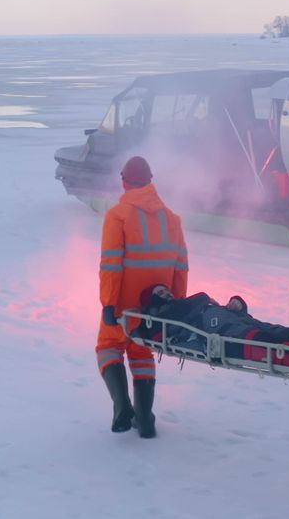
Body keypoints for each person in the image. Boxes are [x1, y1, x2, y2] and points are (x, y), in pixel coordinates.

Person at [97, 156, 187, 439]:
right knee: (141, 351)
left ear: (124, 181)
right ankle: (145, 419)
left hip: (123, 304)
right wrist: (177, 306)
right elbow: (181, 266)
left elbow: (111, 265)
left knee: (108, 347)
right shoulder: (172, 218)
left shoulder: (117, 215)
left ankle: (122, 407)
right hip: (157, 304)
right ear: (150, 181)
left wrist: (108, 303)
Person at [136, 284, 289, 369]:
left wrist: (237, 304)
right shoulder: (161, 321)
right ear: (151, 301)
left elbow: (206, 301)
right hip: (228, 334)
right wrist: (203, 299)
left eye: (166, 290)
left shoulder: (187, 305)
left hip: (242, 322)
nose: (167, 293)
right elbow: (201, 297)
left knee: (285, 332)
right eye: (160, 292)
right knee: (273, 342)